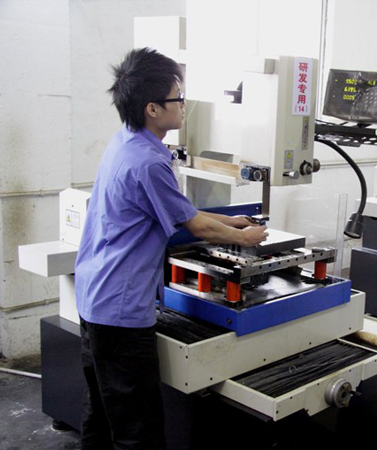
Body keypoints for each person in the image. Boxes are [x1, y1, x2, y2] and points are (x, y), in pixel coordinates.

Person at [74, 47, 268, 450]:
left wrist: (232, 221)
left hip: (94, 298)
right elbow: (195, 227)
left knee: (102, 414)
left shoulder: (126, 143)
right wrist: (244, 238)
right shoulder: (149, 162)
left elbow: (178, 210)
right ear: (152, 109)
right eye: (178, 98)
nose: (184, 105)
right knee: (138, 430)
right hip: (122, 314)